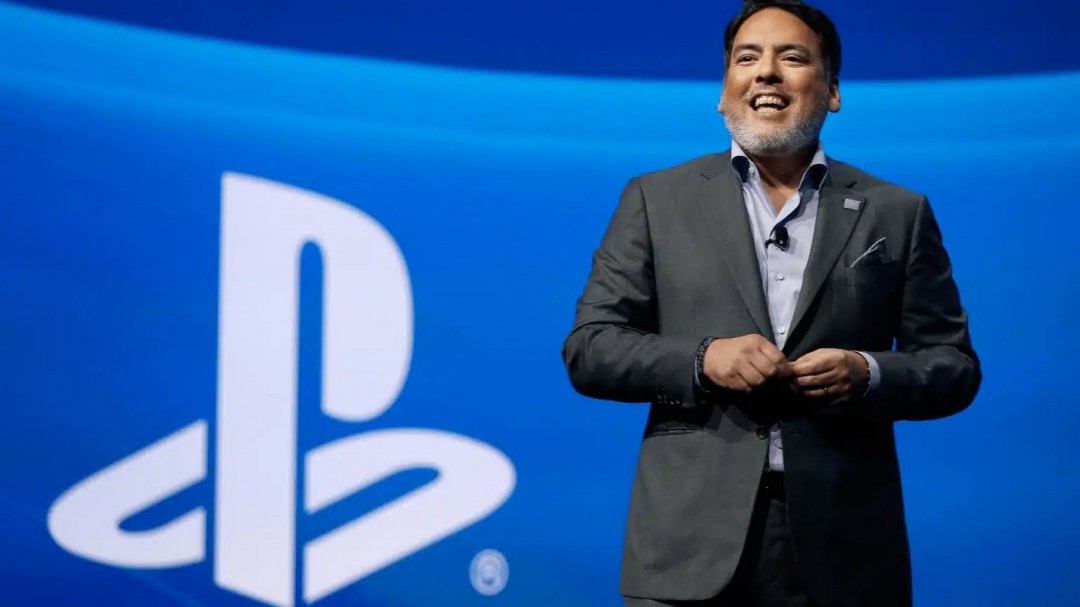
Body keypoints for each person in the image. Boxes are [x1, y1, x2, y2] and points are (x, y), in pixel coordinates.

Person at [560, 1, 981, 605]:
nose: (766, 72)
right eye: (747, 58)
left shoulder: (896, 212)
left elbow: (953, 366)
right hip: (688, 545)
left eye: (792, 57)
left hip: (845, 547)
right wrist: (703, 360)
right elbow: (591, 348)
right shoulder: (657, 200)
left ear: (832, 91)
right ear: (723, 91)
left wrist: (867, 372)